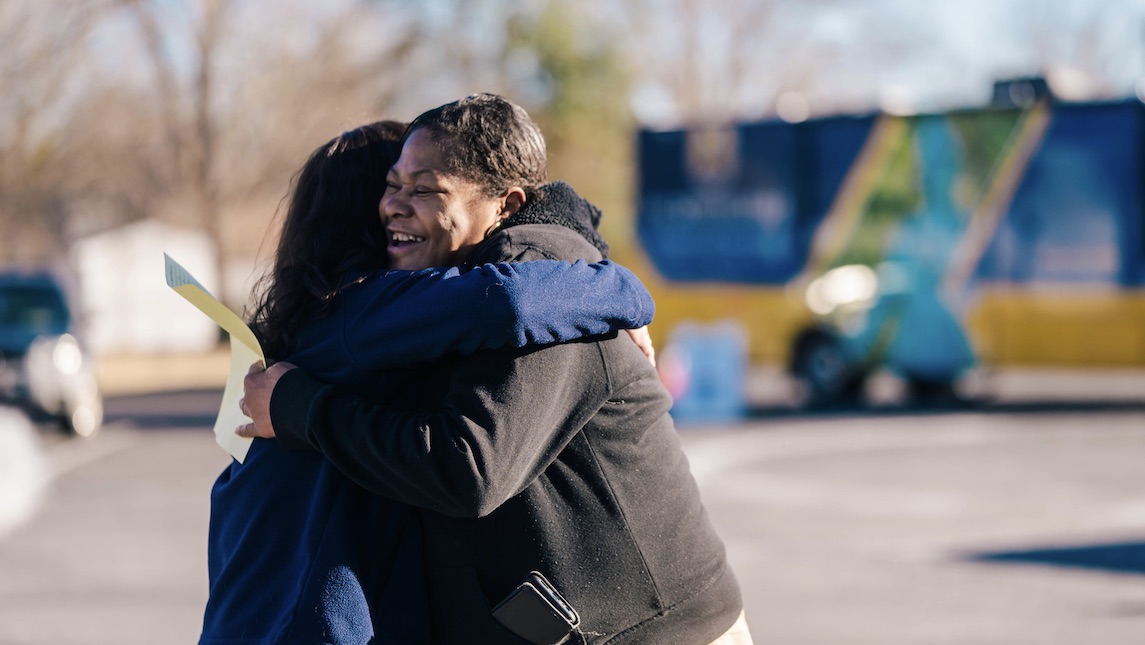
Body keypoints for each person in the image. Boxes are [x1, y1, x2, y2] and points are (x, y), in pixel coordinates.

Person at [241, 94, 753, 644]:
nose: (394, 205)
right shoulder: (442, 292)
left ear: (505, 205)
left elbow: (468, 470)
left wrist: (301, 406)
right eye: (392, 185)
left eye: (426, 189)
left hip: (655, 633)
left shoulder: (543, 285)